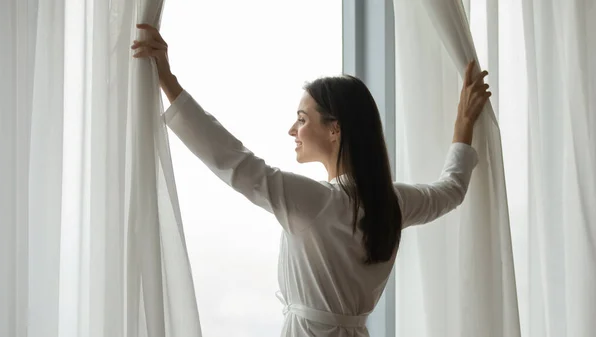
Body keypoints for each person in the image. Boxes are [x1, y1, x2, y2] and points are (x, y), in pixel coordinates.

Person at [132, 23, 491, 337]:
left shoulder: (315, 202)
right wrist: (463, 128)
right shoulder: (393, 203)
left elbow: (233, 161)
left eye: (302, 119)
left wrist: (169, 81)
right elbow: (452, 190)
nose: (292, 130)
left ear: (335, 130)